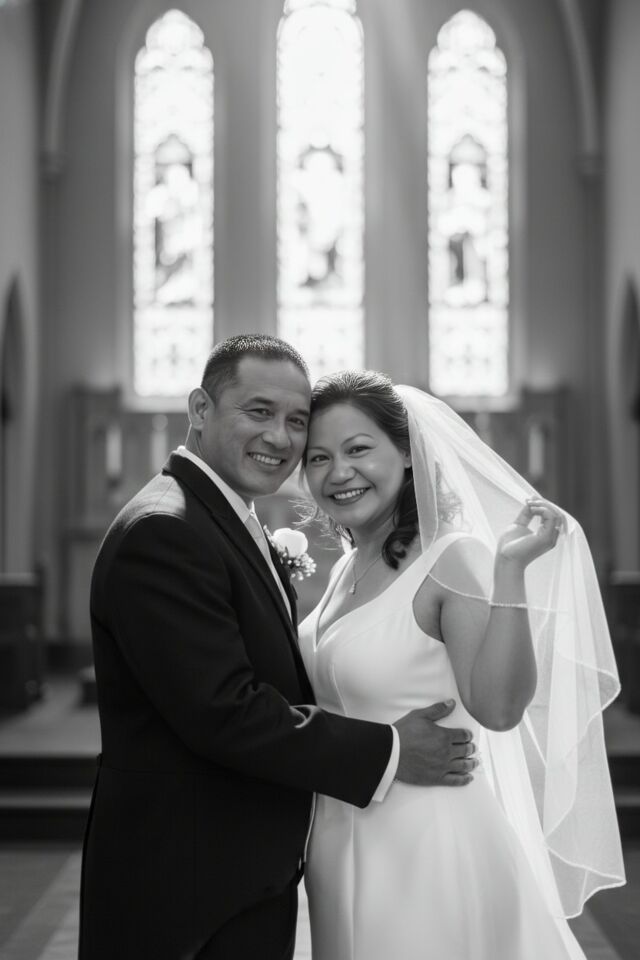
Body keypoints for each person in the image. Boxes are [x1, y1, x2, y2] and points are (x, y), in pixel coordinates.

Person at [78, 336, 479, 960]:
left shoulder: (220, 516)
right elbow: (225, 712)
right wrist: (391, 749)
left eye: (296, 421)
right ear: (201, 409)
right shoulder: (166, 530)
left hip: (235, 872)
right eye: (259, 411)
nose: (281, 437)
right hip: (188, 885)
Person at [299, 370, 625, 960]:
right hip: (338, 834)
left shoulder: (451, 559)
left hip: (428, 840)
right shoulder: (346, 567)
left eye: (358, 449)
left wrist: (509, 572)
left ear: (406, 452)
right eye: (318, 457)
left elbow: (498, 708)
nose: (338, 472)